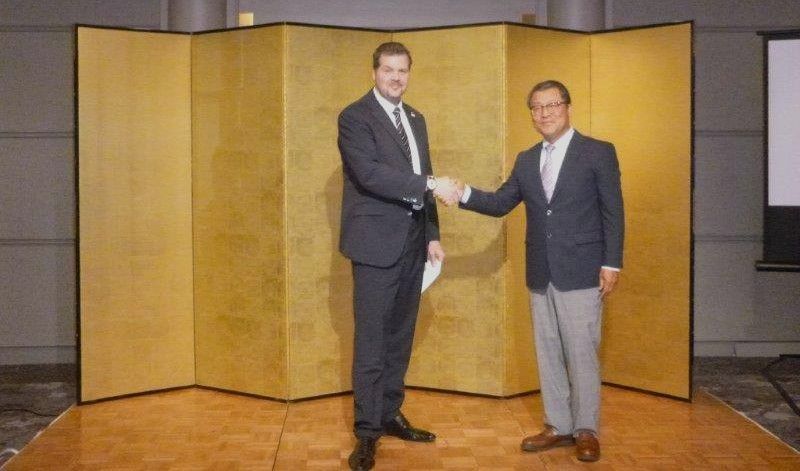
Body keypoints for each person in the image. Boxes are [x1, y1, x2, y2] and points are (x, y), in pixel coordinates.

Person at [456, 80, 624, 462]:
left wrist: (611, 262)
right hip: (540, 270)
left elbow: (614, 212)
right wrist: (463, 193)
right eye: (536, 107)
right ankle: (558, 426)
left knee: (582, 352)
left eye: (552, 105)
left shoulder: (598, 152)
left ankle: (586, 429)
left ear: (568, 106)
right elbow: (500, 203)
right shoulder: (527, 159)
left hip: (583, 270)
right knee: (547, 351)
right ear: (530, 114)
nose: (544, 113)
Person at [337, 41, 460, 471]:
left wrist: (431, 234)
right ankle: (367, 433)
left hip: (412, 245)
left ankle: (390, 413)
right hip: (374, 246)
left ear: (410, 73)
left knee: (399, 336)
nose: (395, 78)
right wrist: (430, 183)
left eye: (402, 71)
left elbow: (420, 175)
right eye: (388, 70)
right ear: (374, 72)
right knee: (371, 341)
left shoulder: (416, 118)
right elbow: (370, 175)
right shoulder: (355, 117)